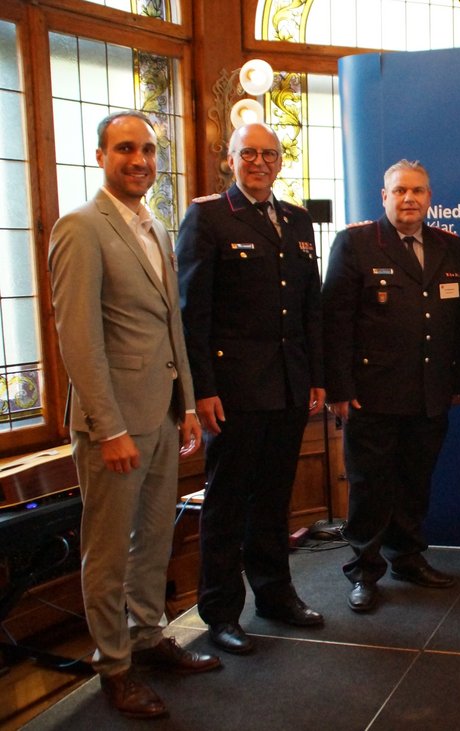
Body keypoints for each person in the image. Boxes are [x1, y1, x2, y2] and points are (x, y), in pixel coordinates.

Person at [49, 111, 220, 719]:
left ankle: (148, 638)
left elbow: (172, 324)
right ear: (100, 156)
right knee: (107, 553)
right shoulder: (81, 227)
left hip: (163, 415)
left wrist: (187, 405)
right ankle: (115, 668)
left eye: (148, 150)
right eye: (125, 149)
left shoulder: (154, 225)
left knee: (153, 539)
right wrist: (110, 427)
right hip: (114, 427)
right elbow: (79, 341)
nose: (140, 160)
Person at [176, 123, 325, 655]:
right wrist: (201, 389)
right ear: (230, 159)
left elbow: (309, 305)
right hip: (233, 390)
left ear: (281, 161)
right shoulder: (209, 216)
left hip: (288, 385)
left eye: (269, 154)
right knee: (227, 503)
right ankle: (220, 612)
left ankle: (275, 595)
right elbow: (193, 312)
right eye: (249, 154)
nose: (260, 162)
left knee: (274, 498)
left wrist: (316, 375)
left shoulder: (297, 220)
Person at [323, 160, 460, 613]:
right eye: (400, 191)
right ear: (384, 196)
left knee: (415, 481)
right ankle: (363, 570)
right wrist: (338, 387)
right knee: (370, 485)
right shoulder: (355, 243)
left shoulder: (451, 246)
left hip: (431, 389)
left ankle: (407, 558)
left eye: (418, 191)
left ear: (430, 197)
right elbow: (334, 321)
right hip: (373, 391)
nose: (409, 199)